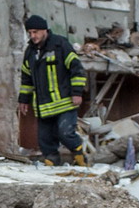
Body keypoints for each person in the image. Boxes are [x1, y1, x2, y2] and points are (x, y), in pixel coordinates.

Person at [18, 15, 87, 165]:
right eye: (30, 33)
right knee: (45, 139)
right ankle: (52, 161)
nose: (32, 36)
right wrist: (23, 100)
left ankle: (80, 154)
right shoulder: (30, 52)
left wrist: (77, 93)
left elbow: (77, 69)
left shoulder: (60, 45)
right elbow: (26, 78)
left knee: (65, 133)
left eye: (35, 32)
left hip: (65, 102)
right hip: (44, 106)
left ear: (44, 30)